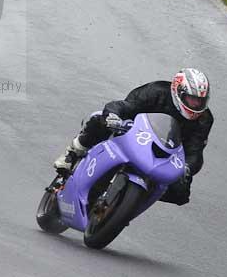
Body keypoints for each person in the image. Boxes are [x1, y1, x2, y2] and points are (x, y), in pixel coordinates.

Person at [53, 68, 213, 206]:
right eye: (192, 99)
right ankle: (72, 153)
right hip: (134, 132)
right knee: (99, 119)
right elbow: (126, 105)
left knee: (181, 192)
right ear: (178, 92)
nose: (195, 105)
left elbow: (195, 150)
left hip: (167, 151)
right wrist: (113, 116)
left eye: (200, 101)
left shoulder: (204, 119)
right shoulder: (156, 92)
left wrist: (187, 168)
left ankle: (134, 200)